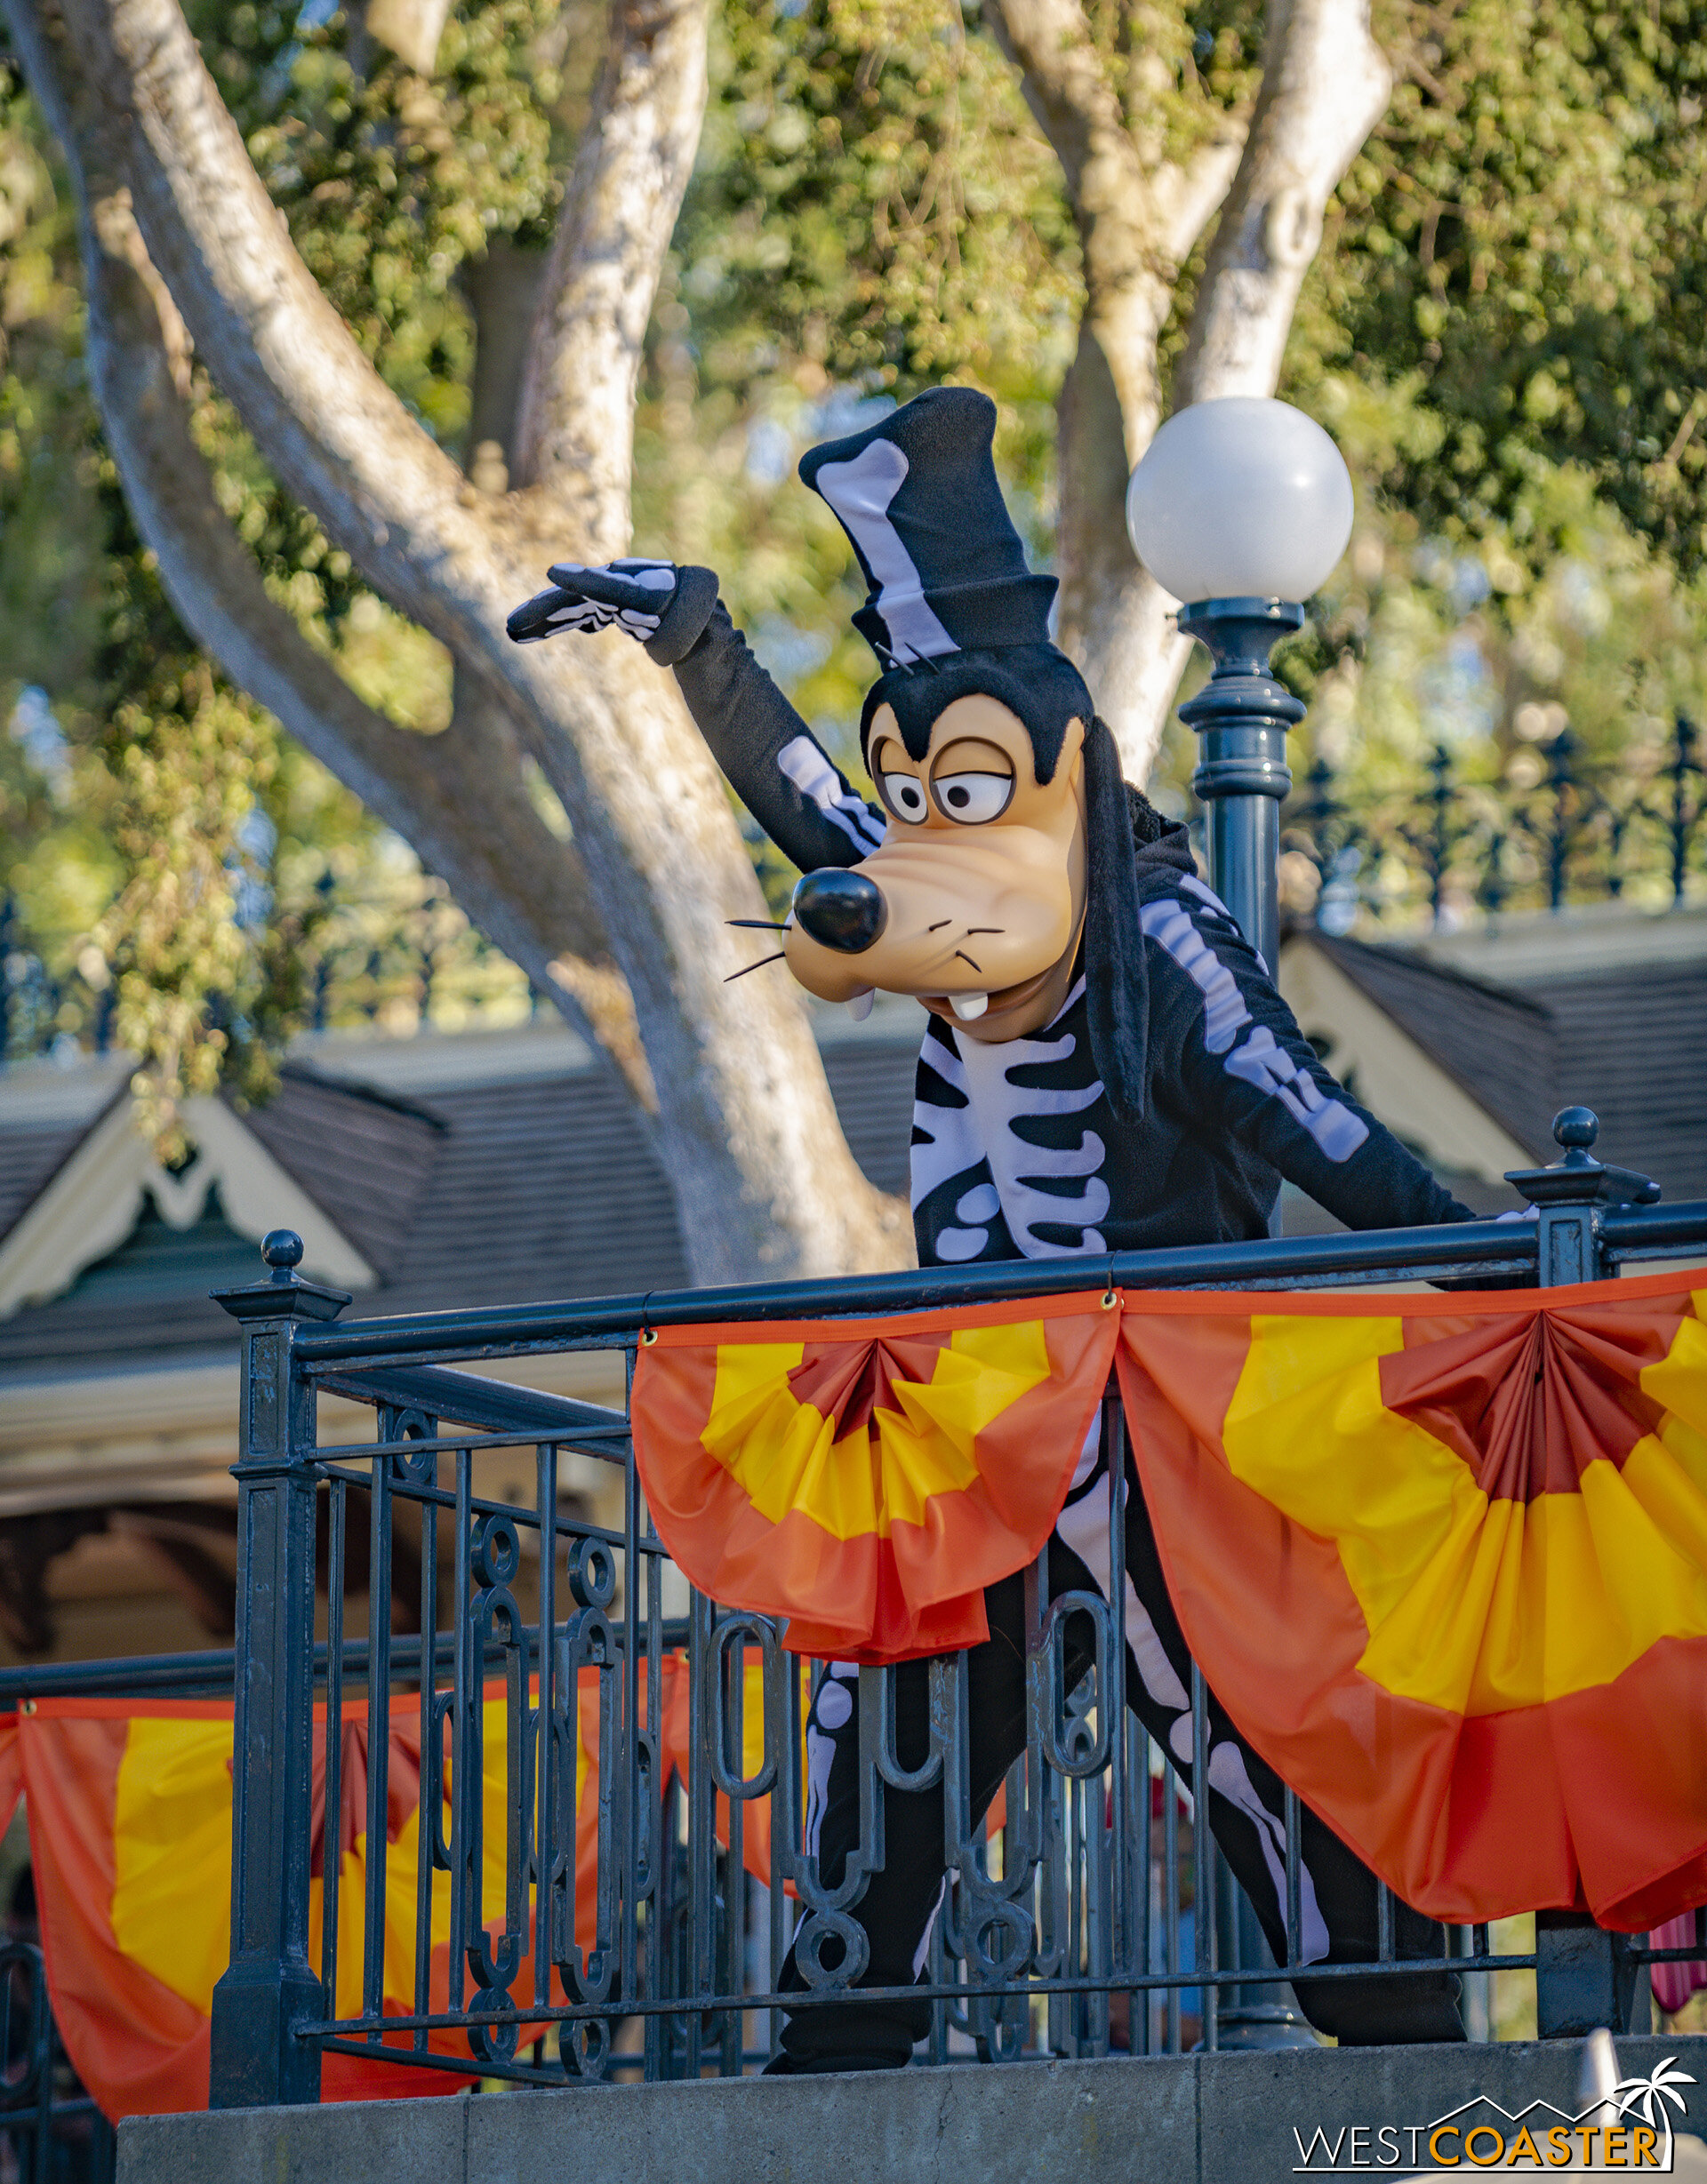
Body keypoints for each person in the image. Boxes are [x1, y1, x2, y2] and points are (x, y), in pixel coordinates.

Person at [509, 385, 1475, 2067]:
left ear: (1068, 777)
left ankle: (1445, 2093)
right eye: (913, 783)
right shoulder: (946, 888)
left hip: (1162, 1440)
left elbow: (1319, 1128)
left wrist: (1510, 1255)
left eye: (959, 780)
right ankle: (826, 2067)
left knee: (1257, 1743)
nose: (893, 843)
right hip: (981, 1442)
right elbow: (835, 830)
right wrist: (699, 642)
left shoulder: (1157, 932)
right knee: (885, 1754)